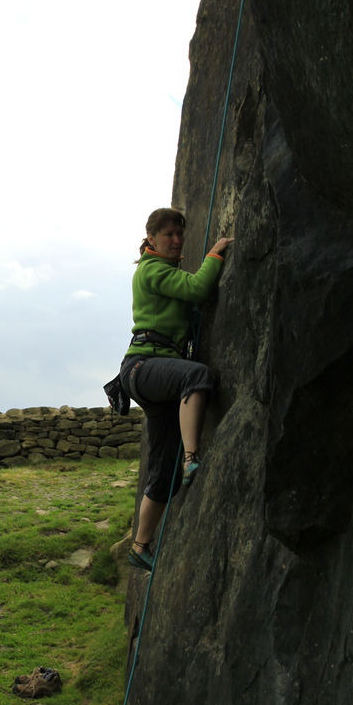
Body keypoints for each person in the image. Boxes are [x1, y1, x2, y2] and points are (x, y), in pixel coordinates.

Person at [119, 207, 233, 571]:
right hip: (144, 366)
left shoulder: (163, 271)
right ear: (151, 238)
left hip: (151, 372)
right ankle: (192, 458)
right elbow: (199, 288)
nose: (177, 240)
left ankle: (140, 545)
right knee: (196, 376)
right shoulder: (152, 270)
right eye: (168, 234)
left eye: (180, 234)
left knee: (161, 470)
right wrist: (216, 253)